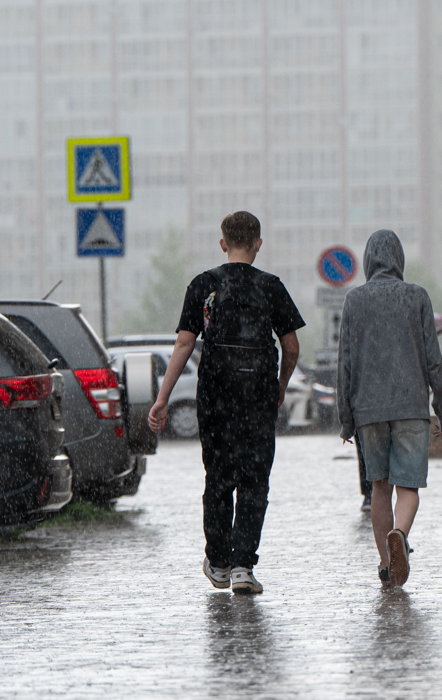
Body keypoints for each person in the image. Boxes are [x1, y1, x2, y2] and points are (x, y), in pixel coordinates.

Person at [148, 211, 304, 595]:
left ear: (223, 243)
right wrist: (280, 383)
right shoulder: (271, 287)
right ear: (258, 244)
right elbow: (291, 346)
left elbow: (184, 344)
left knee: (217, 479)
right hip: (258, 398)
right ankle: (242, 567)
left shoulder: (204, 284)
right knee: (254, 481)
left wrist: (162, 398)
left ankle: (217, 561)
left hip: (215, 397)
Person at [337, 229, 442, 588]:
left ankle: (387, 565)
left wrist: (345, 420)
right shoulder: (417, 297)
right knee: (409, 487)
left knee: (379, 487)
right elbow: (433, 358)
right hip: (411, 406)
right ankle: (400, 533)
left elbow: (345, 365)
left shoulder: (354, 301)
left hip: (369, 410)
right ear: (399, 259)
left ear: (369, 261)